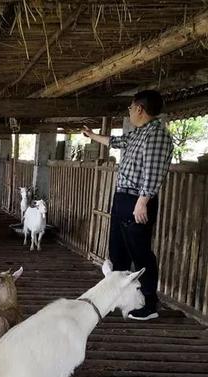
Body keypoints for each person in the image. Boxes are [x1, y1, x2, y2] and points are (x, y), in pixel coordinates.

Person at [83, 90, 173, 320]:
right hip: (124, 198)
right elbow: (115, 141)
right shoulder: (139, 133)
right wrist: (92, 136)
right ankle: (117, 298)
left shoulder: (157, 136)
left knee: (140, 254)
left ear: (140, 109)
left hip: (137, 200)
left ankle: (148, 305)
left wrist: (142, 202)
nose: (130, 112)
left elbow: (154, 172)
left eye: (131, 108)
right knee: (118, 252)